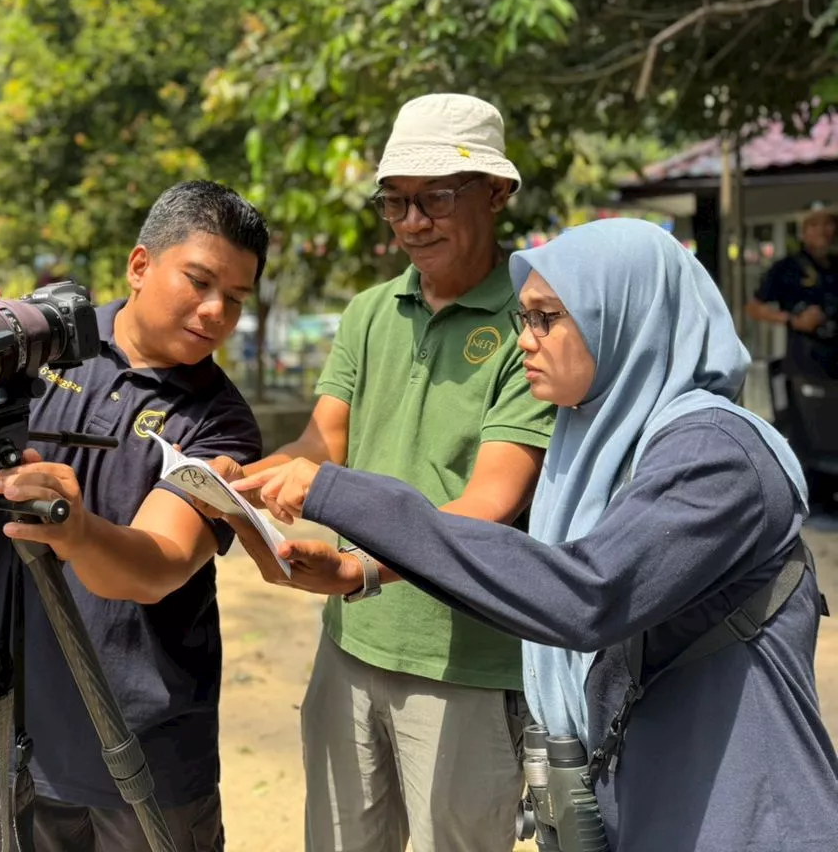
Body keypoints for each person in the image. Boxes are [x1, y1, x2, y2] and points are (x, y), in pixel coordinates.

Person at [234, 218, 838, 852]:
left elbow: (583, 594)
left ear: (622, 317)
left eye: (548, 317)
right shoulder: (597, 448)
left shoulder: (716, 456)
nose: (525, 341)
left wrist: (341, 494)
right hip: (647, 806)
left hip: (741, 819)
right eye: (524, 317)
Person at [222, 93, 558, 852]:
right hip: (349, 646)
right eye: (395, 202)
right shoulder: (372, 311)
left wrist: (361, 569)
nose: (413, 222)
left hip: (468, 659)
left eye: (435, 198)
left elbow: (489, 505)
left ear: (498, 193)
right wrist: (235, 481)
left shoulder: (532, 320)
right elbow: (321, 444)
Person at [0, 180, 269, 852]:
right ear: (139, 265)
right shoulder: (36, 345)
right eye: (199, 281)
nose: (217, 310)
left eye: (236, 300)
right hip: (6, 720)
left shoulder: (222, 422)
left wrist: (76, 530)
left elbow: (157, 566)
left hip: (146, 749)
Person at [747, 205, 838, 379]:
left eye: (828, 223)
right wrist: (794, 320)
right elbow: (754, 308)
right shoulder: (787, 267)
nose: (822, 231)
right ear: (803, 231)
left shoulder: (835, 265)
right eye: (814, 225)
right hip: (806, 362)